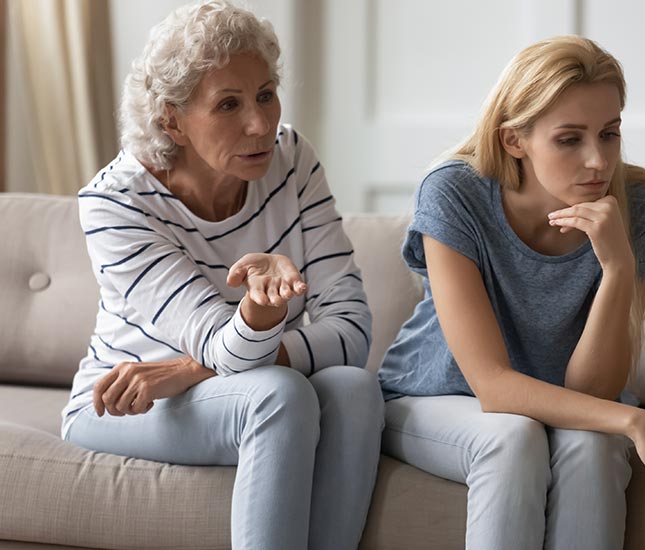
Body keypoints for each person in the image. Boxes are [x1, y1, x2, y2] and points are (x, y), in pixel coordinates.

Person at [60, 2, 383, 548]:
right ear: (172, 120)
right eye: (228, 104)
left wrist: (194, 369)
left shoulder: (291, 157)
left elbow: (352, 330)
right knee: (277, 395)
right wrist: (257, 317)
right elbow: (221, 345)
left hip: (201, 381)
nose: (260, 124)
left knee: (353, 388)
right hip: (124, 400)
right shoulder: (115, 204)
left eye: (265, 94)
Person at [378, 35, 645, 549]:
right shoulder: (454, 192)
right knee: (513, 438)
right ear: (515, 139)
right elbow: (492, 386)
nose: (598, 161)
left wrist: (619, 267)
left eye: (609, 134)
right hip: (438, 397)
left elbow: (591, 395)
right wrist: (637, 421)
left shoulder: (640, 205)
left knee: (594, 450)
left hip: (570, 402)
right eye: (569, 139)